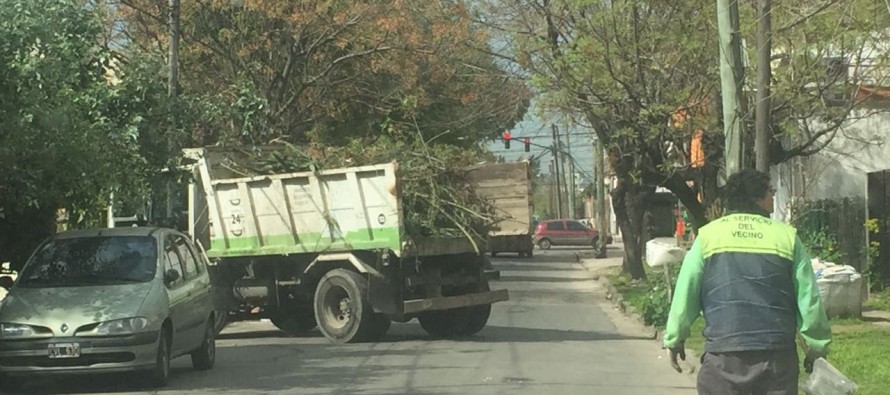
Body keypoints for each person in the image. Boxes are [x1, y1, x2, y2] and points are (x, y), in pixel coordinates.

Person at [663, 169, 832, 395]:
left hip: (724, 356)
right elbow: (808, 298)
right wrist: (817, 346)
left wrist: (675, 338)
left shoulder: (708, 237)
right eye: (770, 191)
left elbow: (687, 292)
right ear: (758, 197)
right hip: (776, 359)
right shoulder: (787, 238)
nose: (773, 196)